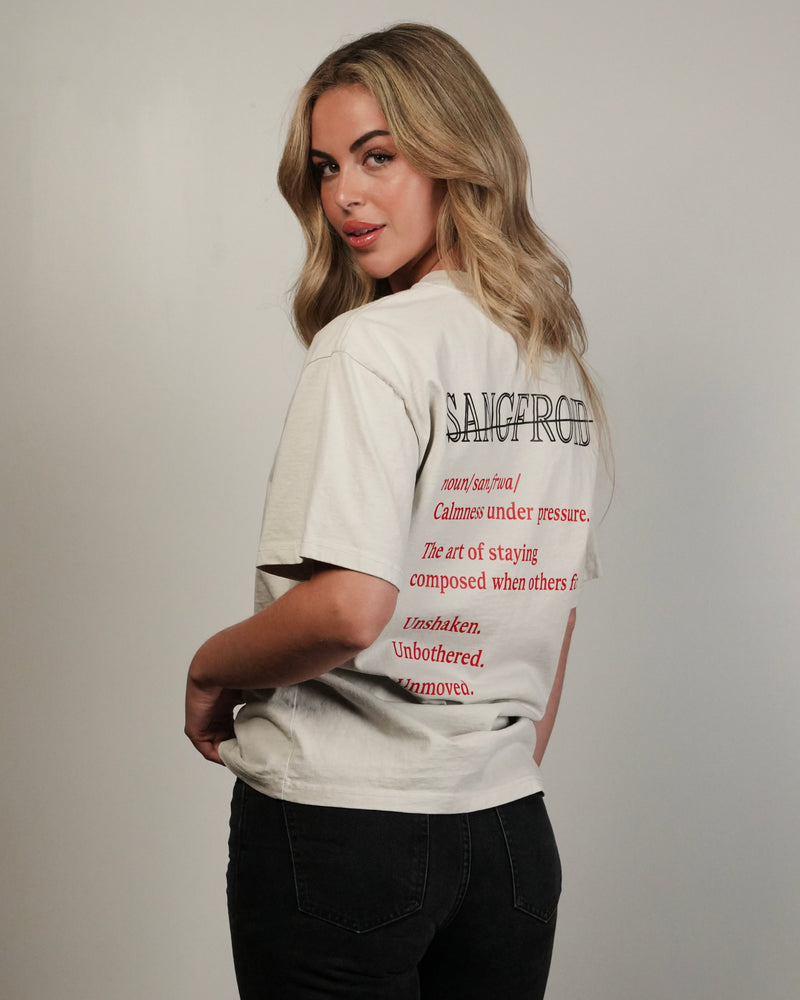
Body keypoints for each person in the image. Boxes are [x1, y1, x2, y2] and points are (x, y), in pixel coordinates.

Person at [185, 22, 604, 1000]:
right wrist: (480, 771)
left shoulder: (371, 346)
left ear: (458, 153)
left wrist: (208, 668)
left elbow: (347, 609)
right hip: (508, 842)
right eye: (327, 167)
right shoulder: (549, 358)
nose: (344, 196)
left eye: (378, 156)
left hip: (343, 831)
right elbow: (552, 607)